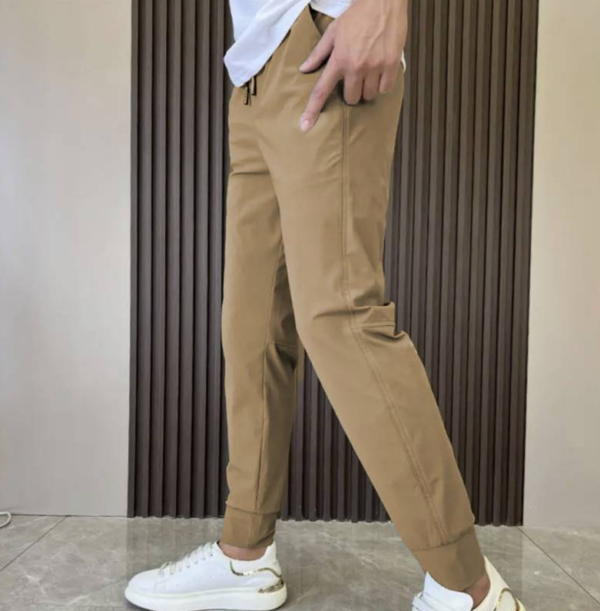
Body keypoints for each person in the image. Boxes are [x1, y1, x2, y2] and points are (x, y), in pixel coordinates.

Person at [125, 1, 525, 610]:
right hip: (253, 71)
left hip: (322, 36)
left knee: (340, 315)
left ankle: (468, 585)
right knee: (252, 325)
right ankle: (244, 555)